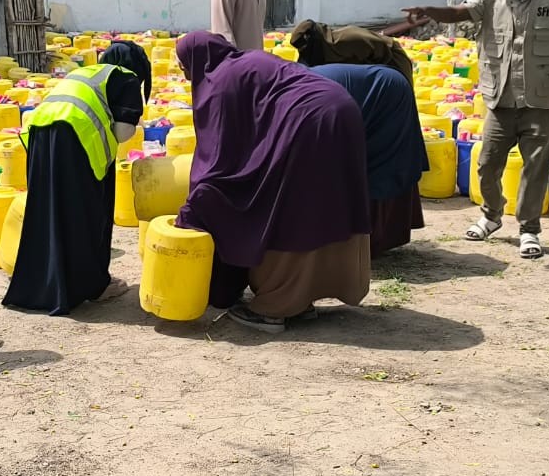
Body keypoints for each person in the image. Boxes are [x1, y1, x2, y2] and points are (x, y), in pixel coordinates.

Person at [174, 32, 371, 333]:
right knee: (317, 206)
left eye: (183, 64)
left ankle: (274, 308)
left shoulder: (219, 83)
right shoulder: (243, 61)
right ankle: (302, 300)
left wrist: (195, 209)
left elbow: (216, 159)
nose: (184, 73)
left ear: (197, 59)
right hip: (341, 111)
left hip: (308, 121)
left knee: (280, 207)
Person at [403, 0, 549, 260]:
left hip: (541, 101)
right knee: (486, 165)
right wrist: (430, 11)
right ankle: (492, 214)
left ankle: (529, 230)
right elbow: (459, 12)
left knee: (536, 169)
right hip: (501, 101)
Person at [3, 41, 149, 316]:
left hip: (39, 134)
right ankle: (93, 286)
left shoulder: (87, 73)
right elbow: (123, 132)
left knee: (47, 213)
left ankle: (40, 287)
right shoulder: (125, 77)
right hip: (73, 140)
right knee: (86, 215)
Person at [308, 62, 428, 257]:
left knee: (378, 170)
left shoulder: (292, 95)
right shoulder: (288, 88)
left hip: (386, 94)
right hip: (371, 92)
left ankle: (371, 241)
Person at [290, 20, 415, 82]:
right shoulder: (323, 52)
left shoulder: (347, 39)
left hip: (393, 63)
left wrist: (377, 76)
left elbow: (381, 49)